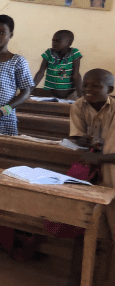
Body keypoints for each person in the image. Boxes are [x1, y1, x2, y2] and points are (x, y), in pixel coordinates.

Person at [67, 69, 115, 284]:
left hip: (111, 174)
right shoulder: (79, 105)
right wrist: (83, 142)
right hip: (95, 176)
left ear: (110, 90)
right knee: (86, 228)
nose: (88, 90)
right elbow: (76, 137)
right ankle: (80, 279)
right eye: (85, 85)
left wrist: (99, 159)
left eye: (96, 86)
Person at [32, 30, 83, 99]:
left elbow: (76, 75)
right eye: (53, 41)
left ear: (69, 43)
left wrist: (80, 94)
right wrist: (30, 89)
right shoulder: (49, 53)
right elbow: (40, 72)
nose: (54, 43)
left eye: (58, 41)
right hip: (51, 94)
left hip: (70, 94)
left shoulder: (74, 53)